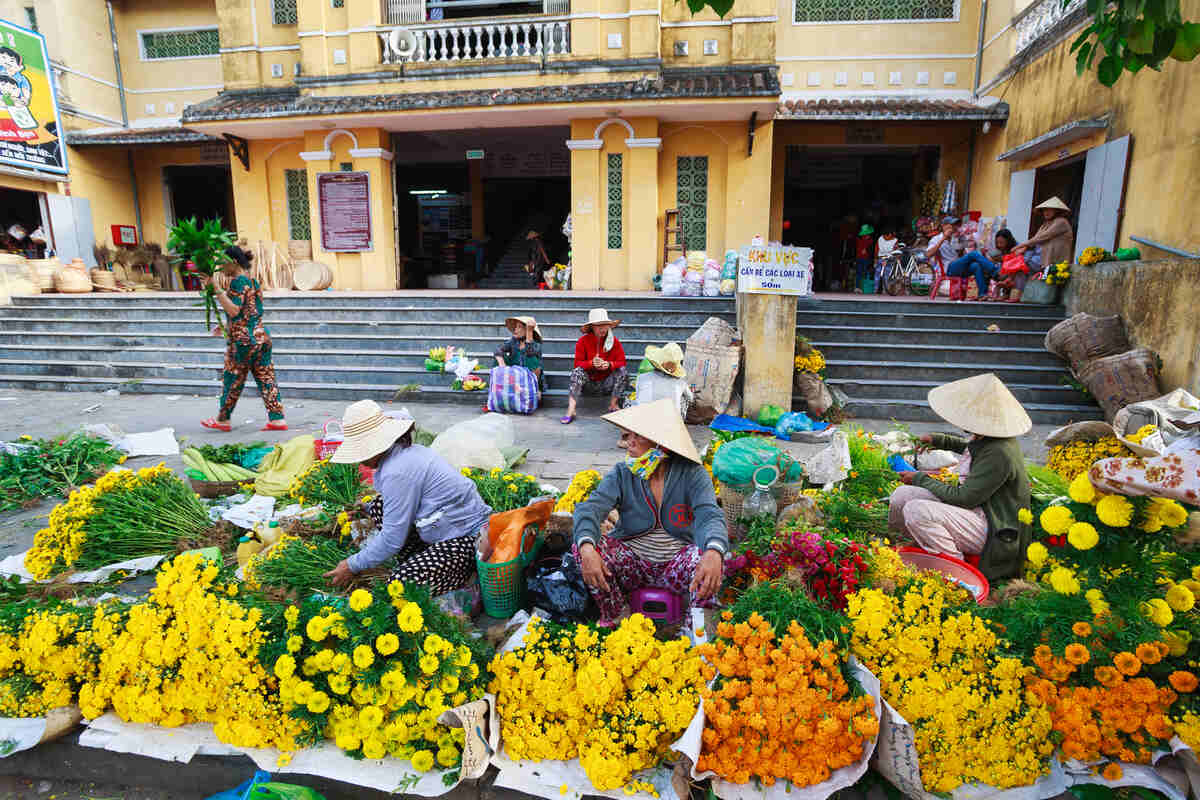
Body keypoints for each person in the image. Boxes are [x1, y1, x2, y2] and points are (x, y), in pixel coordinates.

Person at [572, 398, 726, 626]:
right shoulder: (622, 473)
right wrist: (586, 548)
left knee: (714, 557)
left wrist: (714, 552)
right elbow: (591, 508)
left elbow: (709, 515)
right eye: (629, 435)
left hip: (676, 566)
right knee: (583, 547)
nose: (630, 443)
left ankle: (697, 629)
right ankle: (614, 614)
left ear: (661, 444)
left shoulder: (692, 474)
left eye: (639, 436)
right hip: (632, 566)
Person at [324, 400, 493, 594]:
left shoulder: (398, 470)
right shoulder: (400, 454)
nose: (360, 460)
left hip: (469, 539)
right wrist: (367, 509)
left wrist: (351, 565)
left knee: (400, 585)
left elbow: (392, 539)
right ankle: (426, 560)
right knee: (379, 505)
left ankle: (465, 574)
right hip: (442, 528)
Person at [889, 373, 1033, 581]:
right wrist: (939, 440)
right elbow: (972, 448)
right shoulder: (989, 438)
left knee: (917, 510)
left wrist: (920, 478)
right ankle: (914, 548)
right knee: (903, 495)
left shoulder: (999, 452)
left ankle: (959, 577)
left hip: (997, 529)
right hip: (978, 510)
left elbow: (963, 498)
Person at [201, 246, 286, 432]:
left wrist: (215, 288)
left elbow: (234, 310)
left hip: (243, 341)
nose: (220, 266)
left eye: (223, 261)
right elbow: (250, 310)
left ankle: (223, 420)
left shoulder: (238, 282)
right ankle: (277, 419)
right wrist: (226, 324)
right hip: (261, 336)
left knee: (232, 378)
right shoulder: (253, 281)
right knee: (266, 377)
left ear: (235, 262)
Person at [561, 308, 629, 424]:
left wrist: (609, 365)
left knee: (622, 371)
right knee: (577, 372)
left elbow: (622, 362)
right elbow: (577, 364)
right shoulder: (583, 341)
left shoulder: (614, 342)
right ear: (592, 327)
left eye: (605, 325)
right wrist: (591, 363)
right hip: (588, 384)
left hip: (607, 383)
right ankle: (571, 409)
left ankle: (613, 404)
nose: (603, 328)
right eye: (599, 325)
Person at [1015, 197, 1074, 273]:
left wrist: (1018, 246)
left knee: (1021, 263)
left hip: (1056, 262)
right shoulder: (1045, 224)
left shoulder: (1061, 222)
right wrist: (1024, 248)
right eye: (1044, 210)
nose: (1046, 212)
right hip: (1045, 261)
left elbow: (1041, 238)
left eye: (1049, 210)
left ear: (1057, 211)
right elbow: (1035, 238)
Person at [635, 342, 693, 419]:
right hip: (671, 421)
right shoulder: (680, 382)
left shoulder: (642, 377)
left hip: (642, 418)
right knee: (684, 397)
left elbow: (638, 395)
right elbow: (691, 398)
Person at [494, 315, 545, 394]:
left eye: (519, 327)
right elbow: (498, 350)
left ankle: (534, 389)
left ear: (527, 330)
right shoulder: (514, 341)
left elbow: (530, 353)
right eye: (515, 327)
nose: (515, 329)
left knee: (532, 358)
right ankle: (501, 387)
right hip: (514, 375)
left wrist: (529, 333)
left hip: (529, 379)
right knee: (500, 356)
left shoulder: (536, 344)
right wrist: (502, 364)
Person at [854, 224, 875, 293]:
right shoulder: (859, 240)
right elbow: (858, 249)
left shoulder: (871, 241)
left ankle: (862, 287)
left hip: (866, 259)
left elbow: (871, 251)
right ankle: (857, 287)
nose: (867, 235)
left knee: (865, 273)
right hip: (860, 258)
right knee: (859, 273)